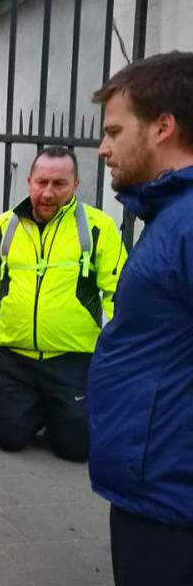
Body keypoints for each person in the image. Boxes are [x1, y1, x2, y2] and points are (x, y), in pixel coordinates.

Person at [87, 51, 193, 586]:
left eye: (113, 130)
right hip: (154, 485)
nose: (103, 147)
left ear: (163, 127)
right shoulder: (170, 215)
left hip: (172, 502)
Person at [0, 147, 125, 462]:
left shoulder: (96, 228)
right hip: (16, 359)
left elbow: (120, 293)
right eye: (41, 182)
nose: (48, 192)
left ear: (76, 184)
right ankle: (41, 410)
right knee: (7, 439)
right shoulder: (4, 227)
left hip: (73, 358)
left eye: (59, 184)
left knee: (77, 450)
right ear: (29, 181)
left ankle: (57, 414)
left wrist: (121, 351)